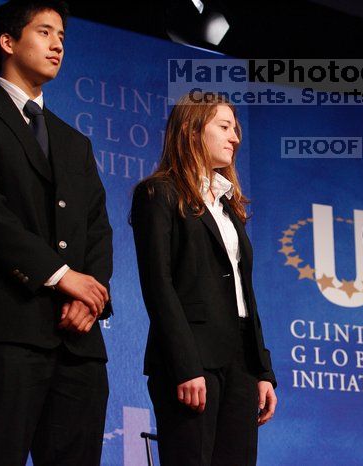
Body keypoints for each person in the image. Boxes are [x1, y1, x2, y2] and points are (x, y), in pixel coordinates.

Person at [0, 1, 113, 465]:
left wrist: (89, 296)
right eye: (45, 32)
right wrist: (58, 275)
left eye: (62, 38)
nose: (57, 45)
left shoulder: (74, 141)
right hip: (6, 334)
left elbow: (97, 229)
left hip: (79, 343)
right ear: (7, 42)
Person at [131, 92, 277, 466]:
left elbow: (245, 294)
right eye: (225, 127)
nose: (235, 138)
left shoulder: (230, 207)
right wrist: (185, 365)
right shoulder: (158, 193)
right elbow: (158, 284)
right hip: (192, 362)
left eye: (237, 129)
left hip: (240, 365)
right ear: (193, 130)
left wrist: (262, 370)